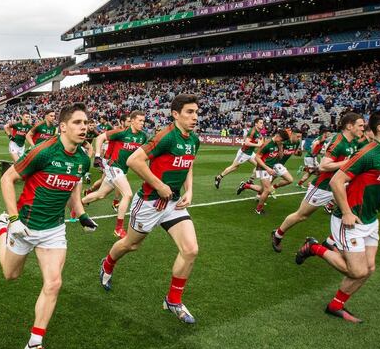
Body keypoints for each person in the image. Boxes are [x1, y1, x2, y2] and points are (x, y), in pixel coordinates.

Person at [0, 103, 98, 349]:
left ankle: (34, 343)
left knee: (54, 283)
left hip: (54, 230)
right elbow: (7, 179)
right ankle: (3, 227)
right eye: (78, 123)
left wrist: (81, 214)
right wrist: (14, 219)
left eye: (86, 123)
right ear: (63, 127)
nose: (84, 128)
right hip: (24, 225)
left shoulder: (82, 158)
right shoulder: (44, 151)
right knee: (10, 275)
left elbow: (73, 185)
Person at [295, 108, 380, 323]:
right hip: (351, 220)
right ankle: (314, 247)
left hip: (370, 219)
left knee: (368, 269)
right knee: (357, 270)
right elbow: (335, 181)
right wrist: (346, 213)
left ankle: (335, 305)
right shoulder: (367, 153)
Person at [99, 94, 201, 325]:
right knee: (131, 244)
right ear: (175, 114)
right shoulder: (165, 137)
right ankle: (107, 264)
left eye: (196, 112)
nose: (195, 117)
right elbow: (134, 161)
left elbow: (189, 164)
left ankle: (173, 300)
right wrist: (159, 185)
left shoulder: (193, 139)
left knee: (191, 249)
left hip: (173, 204)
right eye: (189, 112)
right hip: (149, 203)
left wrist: (190, 190)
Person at [271, 113, 363, 252]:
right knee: (301, 215)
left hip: (339, 186)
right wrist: (348, 162)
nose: (363, 128)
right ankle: (278, 234)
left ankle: (330, 242)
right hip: (323, 186)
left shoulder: (354, 141)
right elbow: (324, 166)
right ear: (350, 126)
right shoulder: (338, 142)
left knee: (352, 213)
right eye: (360, 125)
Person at [82, 110, 148, 238]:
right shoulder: (121, 132)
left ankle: (78, 205)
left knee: (100, 195)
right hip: (113, 166)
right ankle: (118, 229)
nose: (142, 123)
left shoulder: (143, 136)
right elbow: (100, 137)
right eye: (140, 120)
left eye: (143, 121)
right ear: (132, 120)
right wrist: (97, 156)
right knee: (128, 194)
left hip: (122, 170)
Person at [214, 118, 263, 189]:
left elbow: (259, 139)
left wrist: (261, 141)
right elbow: (246, 142)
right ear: (256, 124)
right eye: (260, 123)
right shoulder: (252, 131)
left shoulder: (258, 132)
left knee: (260, 165)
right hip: (244, 153)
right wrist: (257, 145)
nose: (262, 124)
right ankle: (219, 177)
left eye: (262, 123)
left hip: (250, 153)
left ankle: (250, 181)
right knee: (234, 167)